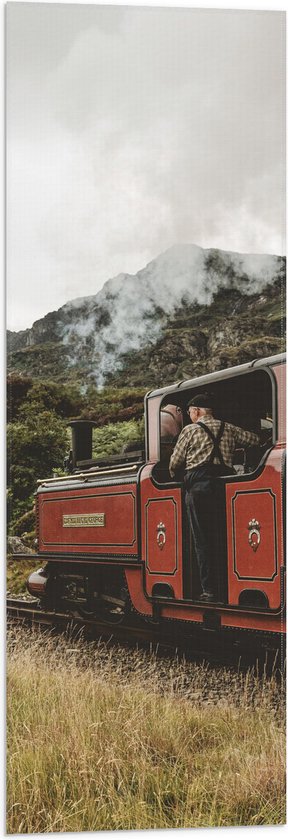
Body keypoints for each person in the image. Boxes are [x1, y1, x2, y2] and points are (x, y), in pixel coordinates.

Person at [169, 393, 260, 602]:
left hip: (199, 487)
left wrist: (179, 478)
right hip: (225, 488)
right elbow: (255, 440)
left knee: (202, 540)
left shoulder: (190, 430)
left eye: (191, 412)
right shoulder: (228, 428)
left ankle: (209, 590)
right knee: (224, 538)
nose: (191, 415)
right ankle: (229, 586)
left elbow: (174, 463)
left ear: (197, 411)